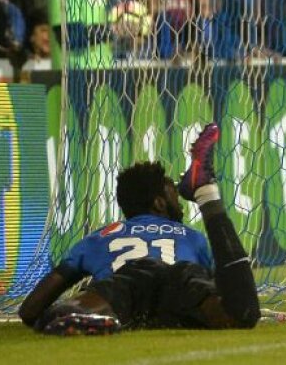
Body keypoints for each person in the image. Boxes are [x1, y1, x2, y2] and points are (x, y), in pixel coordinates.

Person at [18, 123, 260, 334]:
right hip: (182, 281)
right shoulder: (193, 238)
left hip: (127, 283)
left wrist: (76, 297)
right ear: (159, 202)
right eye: (173, 192)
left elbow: (31, 309)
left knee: (70, 313)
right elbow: (226, 285)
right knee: (241, 313)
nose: (180, 203)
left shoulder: (98, 238)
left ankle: (78, 315)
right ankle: (206, 193)